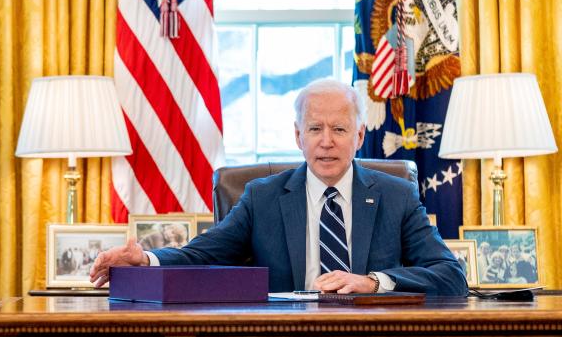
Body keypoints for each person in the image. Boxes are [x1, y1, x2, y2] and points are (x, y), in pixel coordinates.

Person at [90, 79, 467, 296]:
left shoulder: (396, 195)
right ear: (298, 135)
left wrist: (373, 282)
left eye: (339, 129)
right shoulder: (262, 197)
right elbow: (199, 256)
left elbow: (451, 277)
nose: (326, 141)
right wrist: (145, 260)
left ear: (359, 136)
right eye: (315, 129)